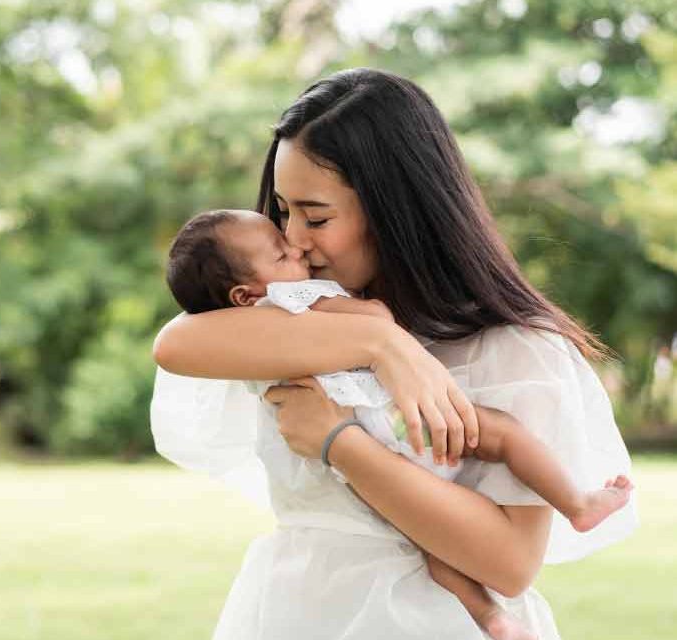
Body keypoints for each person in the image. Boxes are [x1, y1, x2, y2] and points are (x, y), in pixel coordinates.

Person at [151, 68, 638, 640]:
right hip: (295, 608)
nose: (295, 239)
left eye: (317, 215)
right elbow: (175, 344)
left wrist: (341, 443)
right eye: (283, 212)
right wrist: (380, 343)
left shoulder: (512, 352)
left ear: (395, 210)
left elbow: (508, 563)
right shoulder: (293, 324)